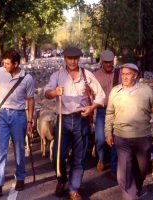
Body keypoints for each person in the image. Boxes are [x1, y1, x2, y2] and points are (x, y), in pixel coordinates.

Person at [44, 46, 105, 200]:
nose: (72, 61)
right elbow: (46, 93)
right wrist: (54, 92)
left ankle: (73, 189)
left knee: (79, 156)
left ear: (79, 59)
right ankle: (62, 179)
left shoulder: (87, 75)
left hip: (81, 119)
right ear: (65, 59)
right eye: (70, 58)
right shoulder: (57, 75)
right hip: (63, 120)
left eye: (75, 58)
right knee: (59, 154)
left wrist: (92, 107)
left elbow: (101, 96)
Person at [0, 49, 35, 196]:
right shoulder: (0, 72)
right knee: (1, 150)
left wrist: (30, 120)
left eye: (7, 63)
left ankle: (20, 176)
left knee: (18, 149)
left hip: (18, 115)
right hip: (2, 114)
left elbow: (30, 99)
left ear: (16, 64)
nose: (4, 65)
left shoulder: (27, 78)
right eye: (3, 63)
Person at [104, 63, 153, 200]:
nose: (124, 77)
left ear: (135, 75)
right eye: (123, 74)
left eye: (128, 74)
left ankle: (137, 188)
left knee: (142, 169)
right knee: (123, 172)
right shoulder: (115, 91)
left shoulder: (146, 90)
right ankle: (130, 195)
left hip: (143, 137)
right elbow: (110, 113)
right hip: (121, 137)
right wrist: (107, 132)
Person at [93, 50, 120, 175]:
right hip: (101, 110)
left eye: (111, 62)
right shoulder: (95, 76)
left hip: (116, 111)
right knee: (100, 138)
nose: (109, 65)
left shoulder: (119, 74)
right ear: (102, 62)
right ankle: (101, 158)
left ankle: (114, 167)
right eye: (106, 62)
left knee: (115, 138)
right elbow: (90, 93)